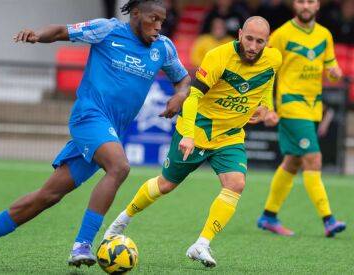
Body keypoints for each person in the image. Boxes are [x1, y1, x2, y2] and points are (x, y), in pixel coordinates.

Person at [0, 0, 190, 270]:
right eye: (154, 19)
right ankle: (82, 244)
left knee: (48, 196)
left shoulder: (163, 47)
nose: (159, 26)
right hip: (89, 117)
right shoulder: (107, 30)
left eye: (163, 20)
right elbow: (60, 31)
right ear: (135, 14)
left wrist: (180, 95)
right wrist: (36, 36)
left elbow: (182, 79)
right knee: (119, 167)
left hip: (109, 130)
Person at [105, 16, 282, 268]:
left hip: (230, 135)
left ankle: (202, 244)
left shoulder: (273, 59)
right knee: (165, 185)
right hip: (198, 129)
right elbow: (192, 97)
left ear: (267, 42)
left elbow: (267, 82)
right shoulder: (218, 56)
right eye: (249, 38)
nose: (253, 46)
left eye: (260, 41)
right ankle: (122, 219)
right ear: (240, 34)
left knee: (236, 183)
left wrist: (266, 106)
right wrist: (187, 134)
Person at [257, 0, 346, 237]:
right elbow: (265, 71)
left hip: (313, 107)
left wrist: (335, 73)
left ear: (317, 6)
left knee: (292, 162)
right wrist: (267, 107)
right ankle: (328, 219)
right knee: (313, 158)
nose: (305, 5)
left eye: (310, 1)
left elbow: (332, 68)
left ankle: (268, 216)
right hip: (291, 105)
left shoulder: (324, 35)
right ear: (294, 5)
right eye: (300, 1)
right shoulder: (282, 34)